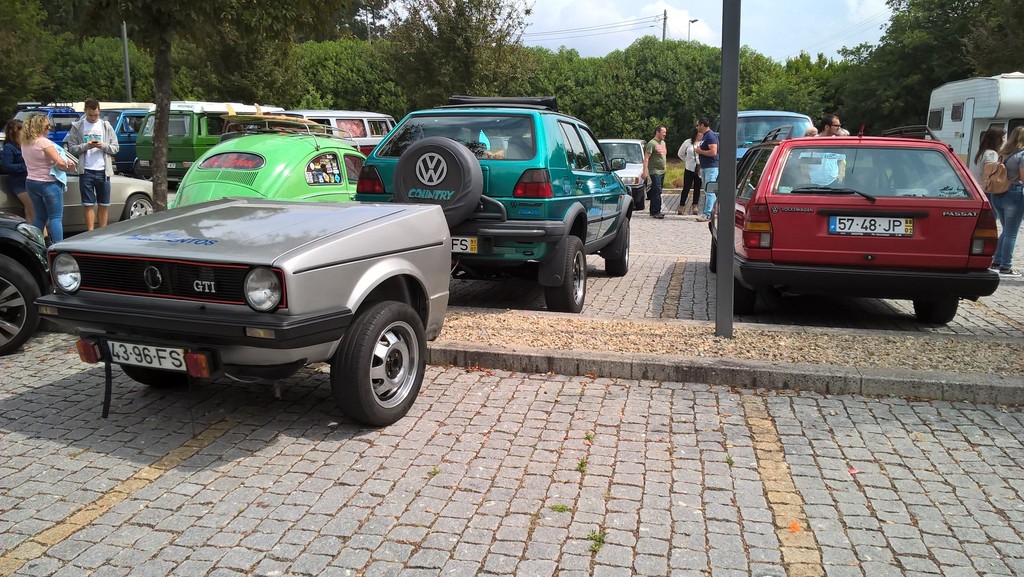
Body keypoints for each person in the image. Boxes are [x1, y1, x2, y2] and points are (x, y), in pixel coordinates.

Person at [64, 98, 119, 231]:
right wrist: (86, 146)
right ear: (85, 112)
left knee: (104, 204)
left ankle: (102, 232)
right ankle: (90, 233)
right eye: (90, 115)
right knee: (88, 204)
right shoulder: (78, 126)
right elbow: (71, 148)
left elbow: (116, 148)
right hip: (86, 171)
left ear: (99, 112)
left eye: (96, 115)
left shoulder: (106, 126)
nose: (93, 118)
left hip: (103, 171)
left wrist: (103, 146)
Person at [22, 113, 76, 243]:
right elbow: (61, 164)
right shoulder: (44, 142)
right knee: (56, 217)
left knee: (40, 216)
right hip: (49, 183)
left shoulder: (26, 143)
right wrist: (69, 165)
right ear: (40, 127)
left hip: (31, 182)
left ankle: (31, 244)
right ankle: (58, 246)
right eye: (47, 126)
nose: (49, 128)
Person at [993, 126, 1024, 277]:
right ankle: (1006, 265)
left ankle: (996, 260)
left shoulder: (1003, 153)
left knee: (1006, 230)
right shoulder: (1022, 155)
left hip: (998, 194)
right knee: (1011, 233)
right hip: (1014, 193)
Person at [1, 119, 33, 225]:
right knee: (34, 209)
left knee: (28, 210)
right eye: (23, 130)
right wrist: (25, 166)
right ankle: (44, 238)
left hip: (28, 181)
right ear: (15, 131)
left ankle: (32, 236)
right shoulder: (9, 147)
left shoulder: (24, 145)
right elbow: (7, 166)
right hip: (19, 183)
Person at [695, 117, 719, 222]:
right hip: (705, 167)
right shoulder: (705, 136)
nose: (696, 127)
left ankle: (708, 214)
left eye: (697, 125)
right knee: (707, 190)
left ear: (703, 125)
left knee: (710, 191)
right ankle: (711, 212)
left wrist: (700, 151)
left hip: (711, 167)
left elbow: (713, 152)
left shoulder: (710, 136)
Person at [642, 125, 668, 219]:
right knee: (657, 191)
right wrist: (644, 172)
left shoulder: (663, 143)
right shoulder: (651, 143)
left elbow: (663, 156)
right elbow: (646, 158)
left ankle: (653, 211)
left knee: (657, 191)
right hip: (654, 171)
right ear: (657, 132)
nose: (665, 134)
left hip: (662, 171)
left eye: (665, 132)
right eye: (663, 132)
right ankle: (657, 211)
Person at [676, 127, 702, 215]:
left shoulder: (703, 142)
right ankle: (681, 205)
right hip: (689, 168)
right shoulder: (687, 142)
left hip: (699, 168)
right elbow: (680, 153)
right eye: (699, 133)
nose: (701, 135)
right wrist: (687, 160)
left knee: (697, 188)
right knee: (686, 187)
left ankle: (695, 205)